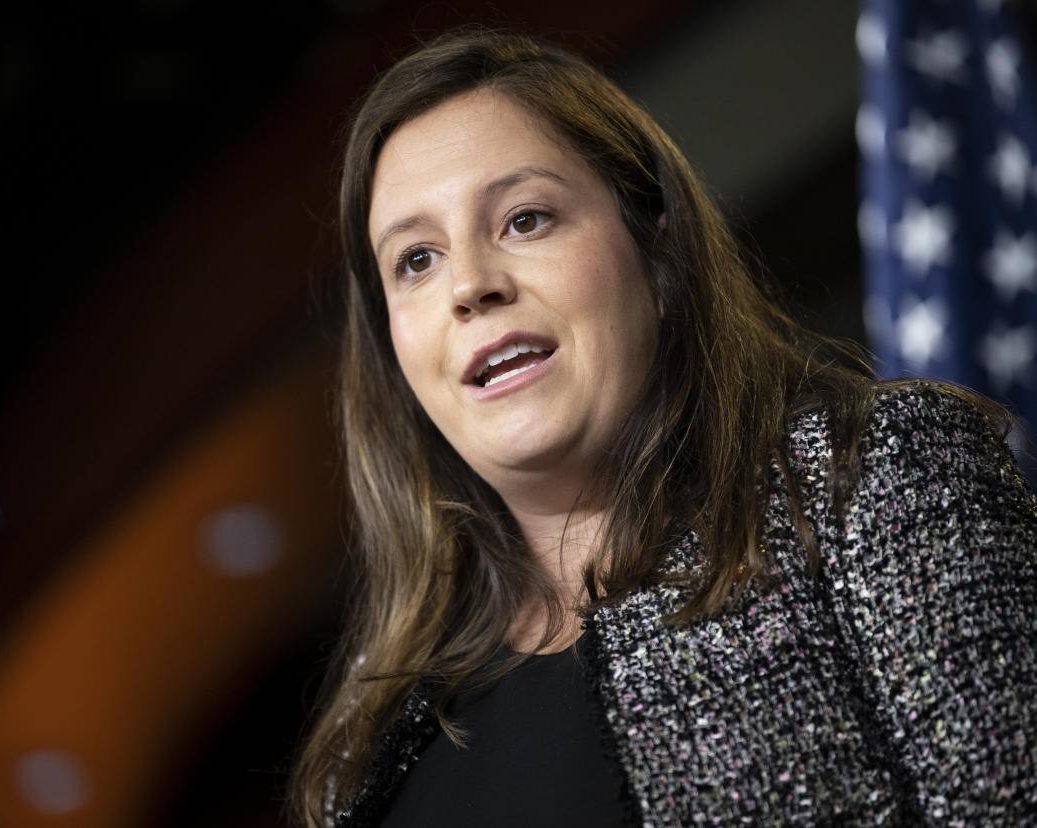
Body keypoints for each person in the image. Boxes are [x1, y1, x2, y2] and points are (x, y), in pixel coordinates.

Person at [289, 29, 1037, 827]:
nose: (469, 285)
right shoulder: (358, 753)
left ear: (658, 252)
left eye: (526, 219)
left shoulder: (878, 482)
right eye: (415, 260)